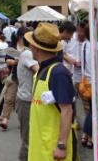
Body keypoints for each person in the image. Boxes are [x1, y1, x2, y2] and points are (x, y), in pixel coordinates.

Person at [25, 22, 77, 161]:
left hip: (52, 148)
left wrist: (61, 145)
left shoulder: (58, 73)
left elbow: (67, 110)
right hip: (40, 144)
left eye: (30, 44)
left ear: (36, 48)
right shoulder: (43, 69)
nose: (29, 47)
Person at [14, 27, 39, 161]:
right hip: (26, 101)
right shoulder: (28, 54)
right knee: (28, 141)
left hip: (29, 100)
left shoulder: (28, 54)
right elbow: (39, 71)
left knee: (32, 139)